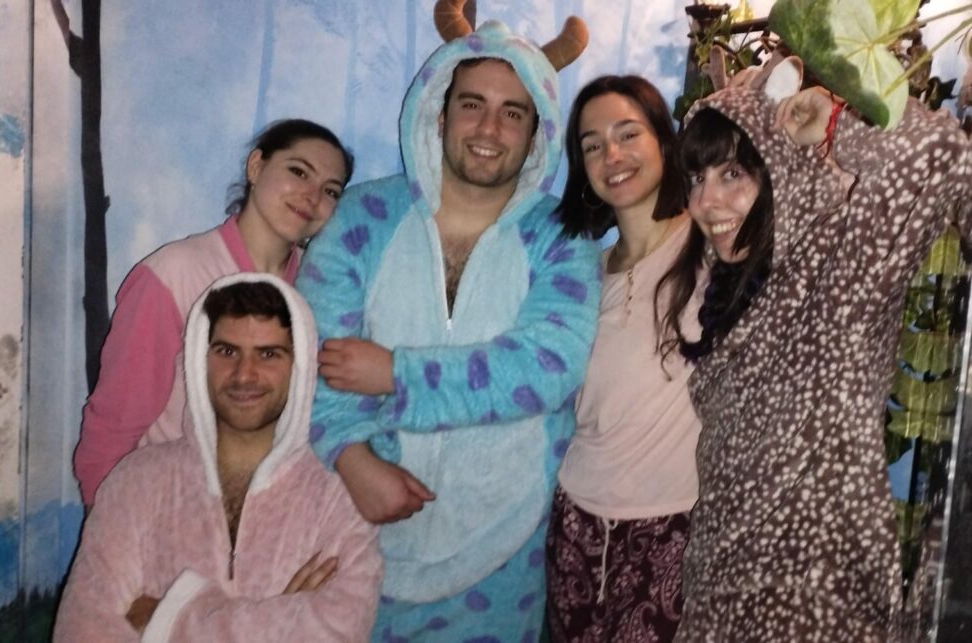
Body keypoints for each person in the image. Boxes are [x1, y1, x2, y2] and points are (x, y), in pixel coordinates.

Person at [294, 4, 599, 641]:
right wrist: (350, 456)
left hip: (504, 556)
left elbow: (547, 366)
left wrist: (397, 374)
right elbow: (313, 358)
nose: (489, 128)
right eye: (472, 104)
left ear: (537, 131)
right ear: (439, 110)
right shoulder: (363, 218)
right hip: (355, 532)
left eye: (513, 112)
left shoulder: (561, 237)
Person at [661, 69, 972, 640]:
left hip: (816, 606)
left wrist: (833, 126)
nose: (706, 201)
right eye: (697, 178)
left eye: (734, 173)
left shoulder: (839, 271)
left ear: (781, 167)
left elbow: (941, 155)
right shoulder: (729, 293)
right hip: (717, 604)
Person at [54, 274, 382, 642]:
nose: (244, 374)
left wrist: (168, 617)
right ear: (199, 359)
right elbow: (80, 632)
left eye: (268, 354)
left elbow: (337, 631)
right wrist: (278, 620)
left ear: (300, 366)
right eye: (227, 352)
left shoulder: (339, 494)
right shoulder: (136, 483)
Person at [73, 119, 353, 505]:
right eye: (298, 171)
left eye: (331, 190)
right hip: (167, 508)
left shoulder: (322, 291)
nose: (312, 195)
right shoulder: (174, 274)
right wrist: (107, 525)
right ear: (256, 166)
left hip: (270, 516)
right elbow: (115, 423)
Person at [544, 75, 700, 642]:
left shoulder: (711, 249)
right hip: (576, 523)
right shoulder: (580, 273)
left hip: (674, 525)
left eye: (628, 134)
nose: (612, 155)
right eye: (592, 145)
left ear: (664, 140)